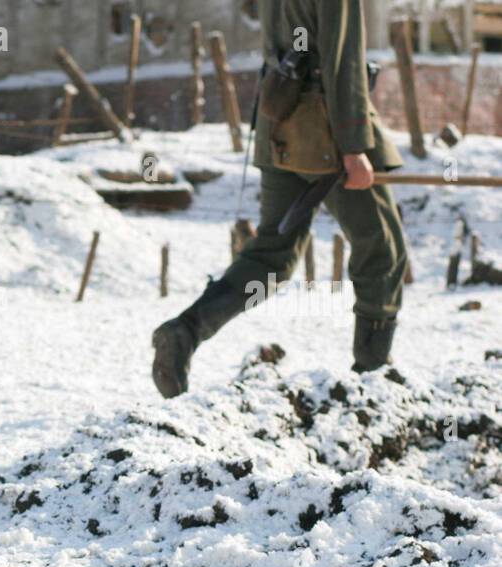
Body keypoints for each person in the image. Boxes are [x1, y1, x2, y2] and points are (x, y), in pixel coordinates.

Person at [151, 0, 408, 398]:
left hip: (279, 122)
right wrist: (354, 146)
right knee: (383, 248)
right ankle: (372, 376)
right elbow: (343, 62)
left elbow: (297, 44)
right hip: (325, 134)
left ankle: (184, 332)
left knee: (270, 256)